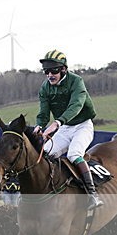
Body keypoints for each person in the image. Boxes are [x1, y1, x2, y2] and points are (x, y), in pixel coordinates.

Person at [34, 49, 103, 210]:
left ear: (63, 69)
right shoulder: (45, 88)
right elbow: (43, 113)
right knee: (45, 154)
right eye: (47, 71)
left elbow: (76, 106)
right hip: (65, 128)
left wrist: (57, 123)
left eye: (54, 70)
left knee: (73, 154)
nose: (50, 75)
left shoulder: (77, 81)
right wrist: (39, 126)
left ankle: (93, 195)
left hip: (82, 125)